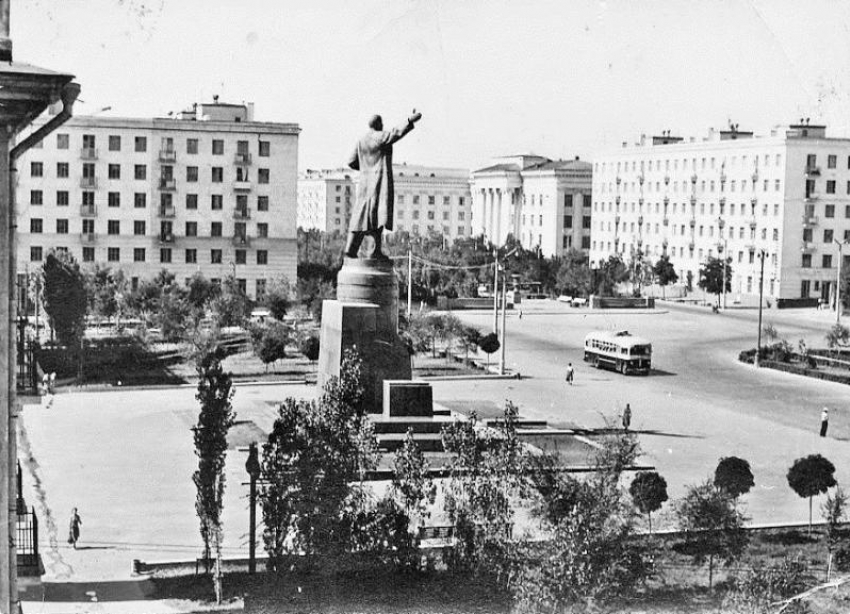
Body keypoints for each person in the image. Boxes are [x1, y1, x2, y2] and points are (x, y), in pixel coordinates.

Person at [344, 110, 423, 259]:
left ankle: (351, 249)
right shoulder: (379, 137)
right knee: (379, 215)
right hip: (379, 183)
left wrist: (366, 168)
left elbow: (351, 161)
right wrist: (409, 120)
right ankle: (375, 250)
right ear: (379, 124)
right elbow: (396, 133)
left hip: (365, 185)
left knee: (362, 215)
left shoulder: (361, 141)